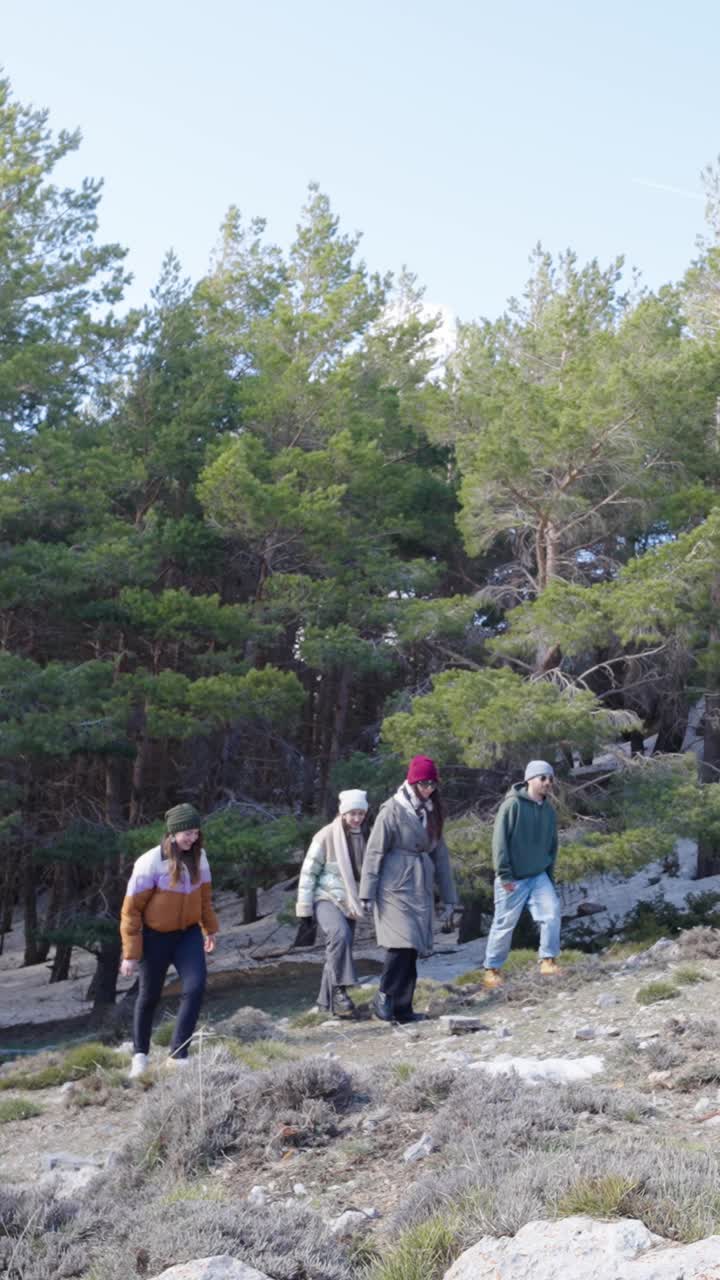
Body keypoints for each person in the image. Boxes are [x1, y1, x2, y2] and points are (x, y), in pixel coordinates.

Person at [119, 803, 219, 1077]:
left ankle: (178, 1054)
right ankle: (140, 1056)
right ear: (172, 833)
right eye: (187, 832)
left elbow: (204, 899)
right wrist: (130, 954)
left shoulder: (201, 858)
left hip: (187, 935)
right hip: (155, 937)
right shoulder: (150, 861)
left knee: (196, 988)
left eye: (196, 832)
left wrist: (209, 929)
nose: (192, 838)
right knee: (149, 996)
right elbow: (131, 911)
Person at [359, 756, 457, 1023]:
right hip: (393, 885)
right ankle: (383, 998)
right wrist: (366, 892)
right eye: (424, 783)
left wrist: (450, 897)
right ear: (412, 782)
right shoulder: (391, 809)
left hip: (419, 885)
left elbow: (441, 856)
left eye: (432, 784)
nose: (428, 789)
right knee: (399, 944)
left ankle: (403, 1008)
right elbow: (374, 851)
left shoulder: (432, 810)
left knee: (412, 947)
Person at [482, 760, 560, 989]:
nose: (547, 782)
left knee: (552, 912)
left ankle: (548, 961)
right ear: (529, 779)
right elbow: (500, 842)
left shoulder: (548, 810)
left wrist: (549, 874)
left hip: (538, 875)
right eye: (542, 778)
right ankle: (491, 969)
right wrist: (504, 874)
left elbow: (552, 845)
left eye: (550, 778)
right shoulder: (512, 805)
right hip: (513, 877)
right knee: (504, 924)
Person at [296, 789, 368, 1016]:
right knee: (339, 935)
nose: (357, 818)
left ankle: (325, 1005)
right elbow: (308, 873)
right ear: (343, 812)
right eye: (353, 813)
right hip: (325, 897)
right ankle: (340, 992)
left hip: (349, 902)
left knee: (338, 948)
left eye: (361, 813)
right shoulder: (325, 835)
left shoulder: (361, 837)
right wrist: (304, 910)